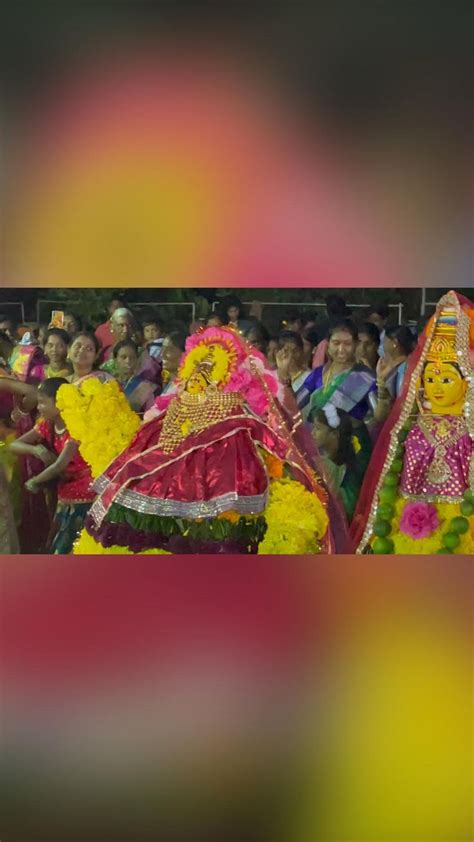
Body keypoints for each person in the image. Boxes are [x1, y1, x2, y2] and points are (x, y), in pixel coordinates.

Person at [73, 326, 336, 555]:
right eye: (199, 363)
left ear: (232, 374)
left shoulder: (240, 417)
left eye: (211, 365)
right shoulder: (168, 413)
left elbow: (277, 428)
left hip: (222, 514)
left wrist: (281, 380)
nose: (202, 371)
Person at [352, 290, 474, 555]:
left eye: (446, 380)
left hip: (463, 524)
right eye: (430, 379)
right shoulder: (413, 423)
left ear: (466, 382)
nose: (436, 388)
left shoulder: (470, 428)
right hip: (408, 522)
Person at [8, 378, 96, 554]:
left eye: (42, 402)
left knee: (69, 544)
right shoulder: (46, 424)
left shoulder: (75, 427)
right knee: (58, 540)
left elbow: (58, 466)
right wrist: (36, 450)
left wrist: (34, 481)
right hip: (65, 489)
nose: (38, 407)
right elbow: (13, 445)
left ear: (60, 403)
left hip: (85, 492)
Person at [312, 406, 366, 522]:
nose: (312, 433)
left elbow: (348, 511)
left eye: (318, 428)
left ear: (334, 434)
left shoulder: (350, 471)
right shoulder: (320, 460)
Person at [374, 325, 415, 424]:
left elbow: (400, 398)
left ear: (394, 343)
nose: (382, 345)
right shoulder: (388, 365)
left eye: (385, 341)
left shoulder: (405, 368)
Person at [113, 339, 159, 414]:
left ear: (137, 359)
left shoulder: (146, 387)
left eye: (132, 357)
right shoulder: (109, 382)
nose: (128, 361)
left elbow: (150, 415)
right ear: (115, 360)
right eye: (123, 357)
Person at [275, 331, 312, 400]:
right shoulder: (271, 377)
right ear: (278, 353)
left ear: (302, 351)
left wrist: (285, 375)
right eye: (287, 351)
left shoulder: (310, 377)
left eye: (295, 351)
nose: (291, 355)